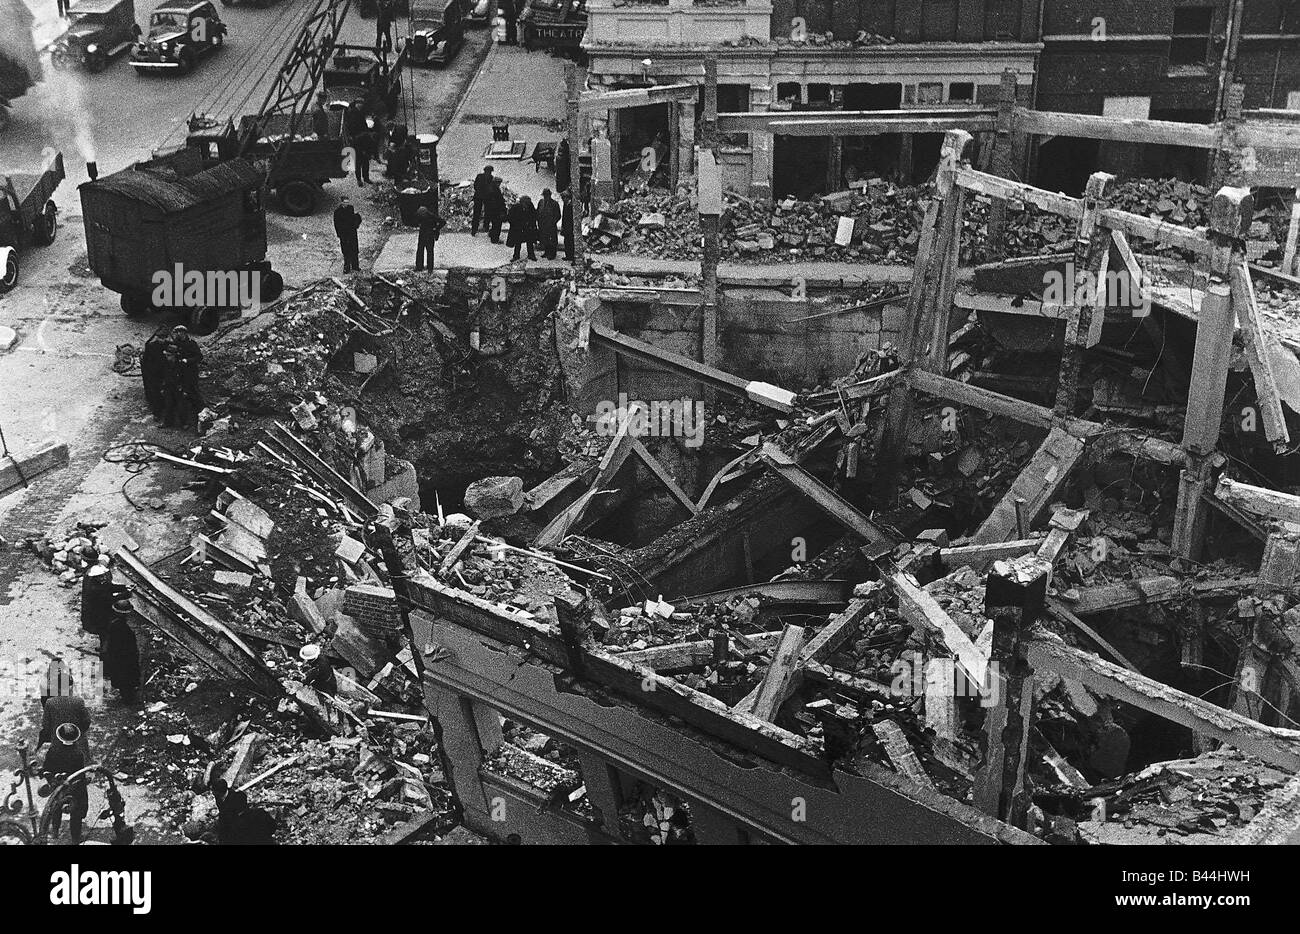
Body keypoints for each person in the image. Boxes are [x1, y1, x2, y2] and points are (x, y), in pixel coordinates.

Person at [42, 723, 89, 843]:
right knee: (76, 813)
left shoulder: (53, 751)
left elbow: (46, 769)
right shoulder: (78, 754)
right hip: (74, 789)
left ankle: (55, 832)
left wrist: (52, 782)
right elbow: (80, 774)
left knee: (56, 809)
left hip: (58, 787)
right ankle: (75, 838)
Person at [36, 660, 91, 761]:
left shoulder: (50, 702)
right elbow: (86, 721)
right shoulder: (79, 701)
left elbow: (45, 724)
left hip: (58, 740)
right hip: (77, 740)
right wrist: (79, 731)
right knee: (81, 761)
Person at [102, 600, 141, 705]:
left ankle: (126, 695)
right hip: (126, 658)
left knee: (122, 677)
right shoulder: (125, 629)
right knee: (127, 679)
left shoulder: (112, 625)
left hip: (117, 657)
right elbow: (130, 646)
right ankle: (128, 699)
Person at [171, 324, 204, 429]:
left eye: (181, 332)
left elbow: (199, 357)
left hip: (190, 371)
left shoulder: (191, 344)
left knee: (193, 390)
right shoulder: (175, 343)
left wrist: (188, 360)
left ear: (185, 333)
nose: (179, 334)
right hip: (180, 372)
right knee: (183, 392)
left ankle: (200, 410)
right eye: (177, 332)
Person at [333, 196, 362, 272]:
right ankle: (347, 268)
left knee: (354, 250)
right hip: (344, 234)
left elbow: (353, 218)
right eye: (345, 202)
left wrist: (356, 223)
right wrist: (339, 234)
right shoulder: (337, 212)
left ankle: (355, 266)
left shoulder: (350, 208)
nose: (346, 204)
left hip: (352, 232)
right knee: (346, 251)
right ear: (341, 202)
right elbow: (336, 224)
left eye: (347, 202)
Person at [414, 204, 444, 271]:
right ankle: (429, 268)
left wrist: (436, 229)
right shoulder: (431, 216)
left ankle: (420, 267)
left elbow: (443, 221)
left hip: (424, 235)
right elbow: (443, 222)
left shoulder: (424, 216)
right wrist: (436, 229)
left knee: (421, 250)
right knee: (429, 251)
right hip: (429, 235)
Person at [507, 195, 537, 261]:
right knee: (517, 242)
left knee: (530, 242)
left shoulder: (530, 207)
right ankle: (516, 256)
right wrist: (515, 224)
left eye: (528, 203)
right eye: (525, 203)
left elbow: (534, 215)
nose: (526, 205)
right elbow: (510, 217)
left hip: (528, 227)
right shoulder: (516, 207)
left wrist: (531, 223)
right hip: (518, 228)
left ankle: (531, 255)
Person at [535, 188, 561, 259]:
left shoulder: (555, 204)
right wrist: (538, 220)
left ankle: (552, 254)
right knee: (544, 239)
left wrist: (553, 222)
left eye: (547, 195)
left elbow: (558, 215)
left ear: (550, 195)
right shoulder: (541, 202)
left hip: (551, 225)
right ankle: (546, 252)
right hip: (542, 225)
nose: (545, 197)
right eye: (544, 195)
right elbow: (538, 212)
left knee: (552, 240)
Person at [471, 166, 494, 236]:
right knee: (487, 213)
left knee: (477, 213)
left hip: (478, 197)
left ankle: (474, 229)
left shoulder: (479, 176)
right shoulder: (491, 177)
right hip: (486, 197)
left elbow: (475, 185)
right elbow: (491, 188)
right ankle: (485, 227)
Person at [484, 177, 507, 244]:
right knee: (497, 225)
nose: (499, 184)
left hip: (491, 210)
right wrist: (501, 210)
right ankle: (495, 239)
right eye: (498, 182)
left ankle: (492, 235)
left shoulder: (491, 188)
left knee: (494, 224)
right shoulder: (494, 190)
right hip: (496, 211)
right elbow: (496, 202)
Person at [561, 194, 575, 262]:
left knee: (571, 242)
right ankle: (568, 256)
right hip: (566, 227)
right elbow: (563, 217)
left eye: (563, 198)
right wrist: (563, 226)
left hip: (571, 227)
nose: (563, 200)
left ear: (567, 198)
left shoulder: (572, 205)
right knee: (566, 241)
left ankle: (572, 257)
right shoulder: (565, 204)